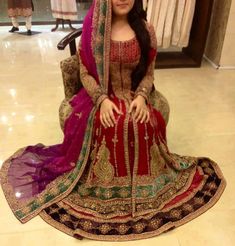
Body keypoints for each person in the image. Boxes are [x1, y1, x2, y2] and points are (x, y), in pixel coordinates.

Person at [0, 0, 226, 241]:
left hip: (134, 94)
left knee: (141, 122)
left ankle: (144, 187)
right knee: (109, 124)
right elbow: (85, 72)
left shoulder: (145, 30)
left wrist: (141, 96)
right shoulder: (94, 30)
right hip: (100, 97)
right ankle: (104, 190)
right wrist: (101, 100)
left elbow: (149, 72)